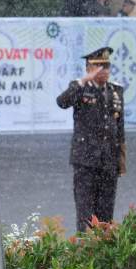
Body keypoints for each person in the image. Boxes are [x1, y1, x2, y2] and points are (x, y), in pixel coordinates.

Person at [56, 47, 126, 232]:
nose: (104, 71)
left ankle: (103, 255)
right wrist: (83, 81)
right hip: (86, 162)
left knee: (105, 215)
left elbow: (120, 129)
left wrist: (121, 161)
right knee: (86, 214)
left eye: (106, 67)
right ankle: (85, 254)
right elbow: (62, 102)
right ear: (88, 69)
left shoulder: (116, 90)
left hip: (108, 163)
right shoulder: (80, 88)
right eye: (98, 67)